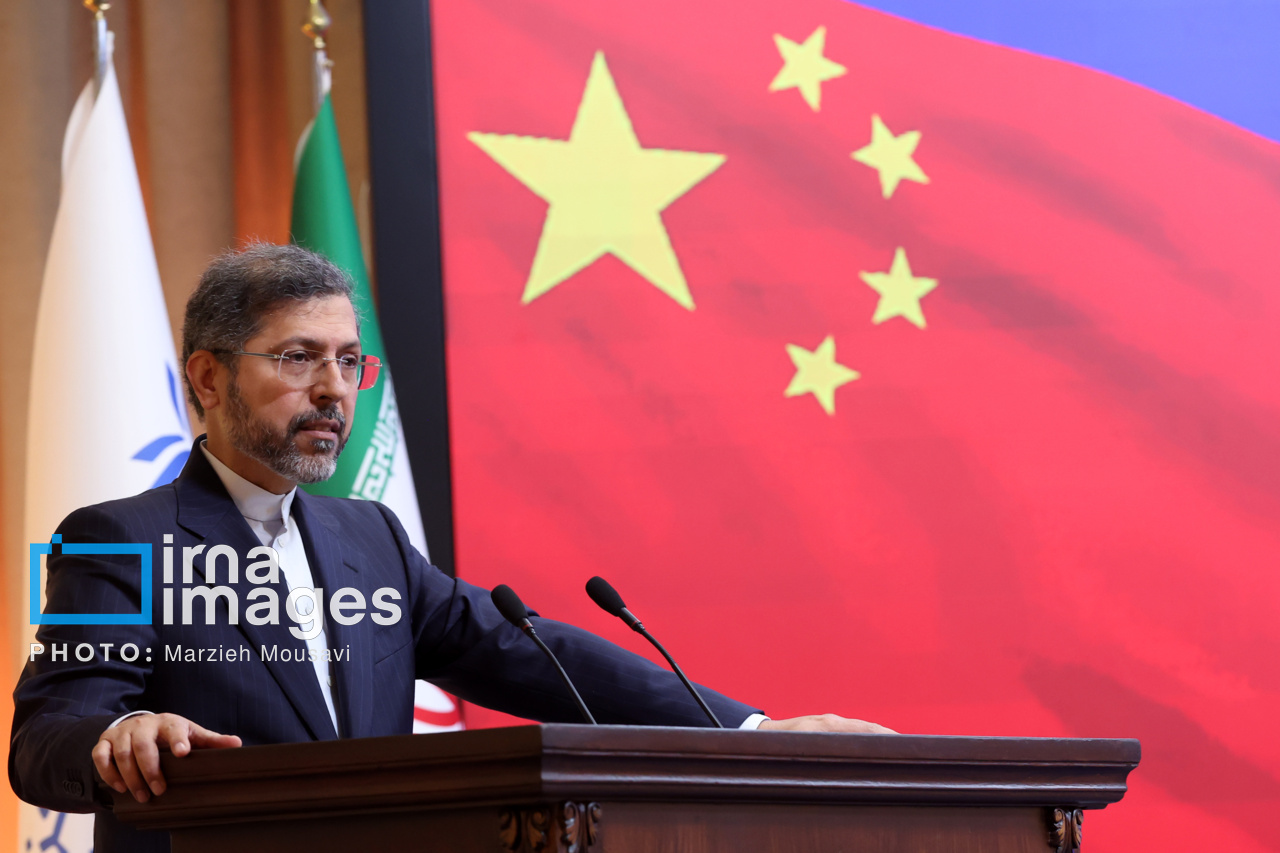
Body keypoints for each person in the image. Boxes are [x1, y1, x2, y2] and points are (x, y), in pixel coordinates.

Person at [10, 244, 892, 853]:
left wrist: (750, 732)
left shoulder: (371, 538)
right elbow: (43, 740)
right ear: (208, 376)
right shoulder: (121, 538)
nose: (333, 390)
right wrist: (120, 734)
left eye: (349, 362)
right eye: (298, 358)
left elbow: (526, 652)